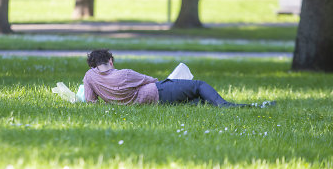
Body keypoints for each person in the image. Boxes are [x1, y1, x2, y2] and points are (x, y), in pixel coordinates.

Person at [83, 49, 275, 108]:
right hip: (158, 92)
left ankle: (256, 106)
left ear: (93, 64)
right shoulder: (124, 74)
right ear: (110, 60)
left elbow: (91, 101)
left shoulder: (89, 77)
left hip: (149, 102)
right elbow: (152, 80)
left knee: (196, 101)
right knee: (198, 85)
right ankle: (226, 105)